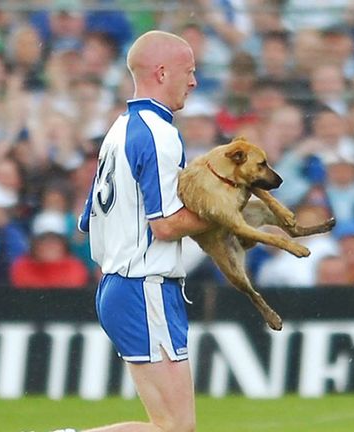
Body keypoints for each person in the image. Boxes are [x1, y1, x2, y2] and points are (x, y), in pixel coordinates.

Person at [73, 31, 209, 432]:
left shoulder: (118, 130)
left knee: (169, 425)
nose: (194, 81)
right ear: (162, 72)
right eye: (189, 71)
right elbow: (165, 225)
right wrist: (229, 214)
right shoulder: (157, 132)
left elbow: (88, 220)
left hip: (120, 284)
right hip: (144, 285)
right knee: (174, 428)